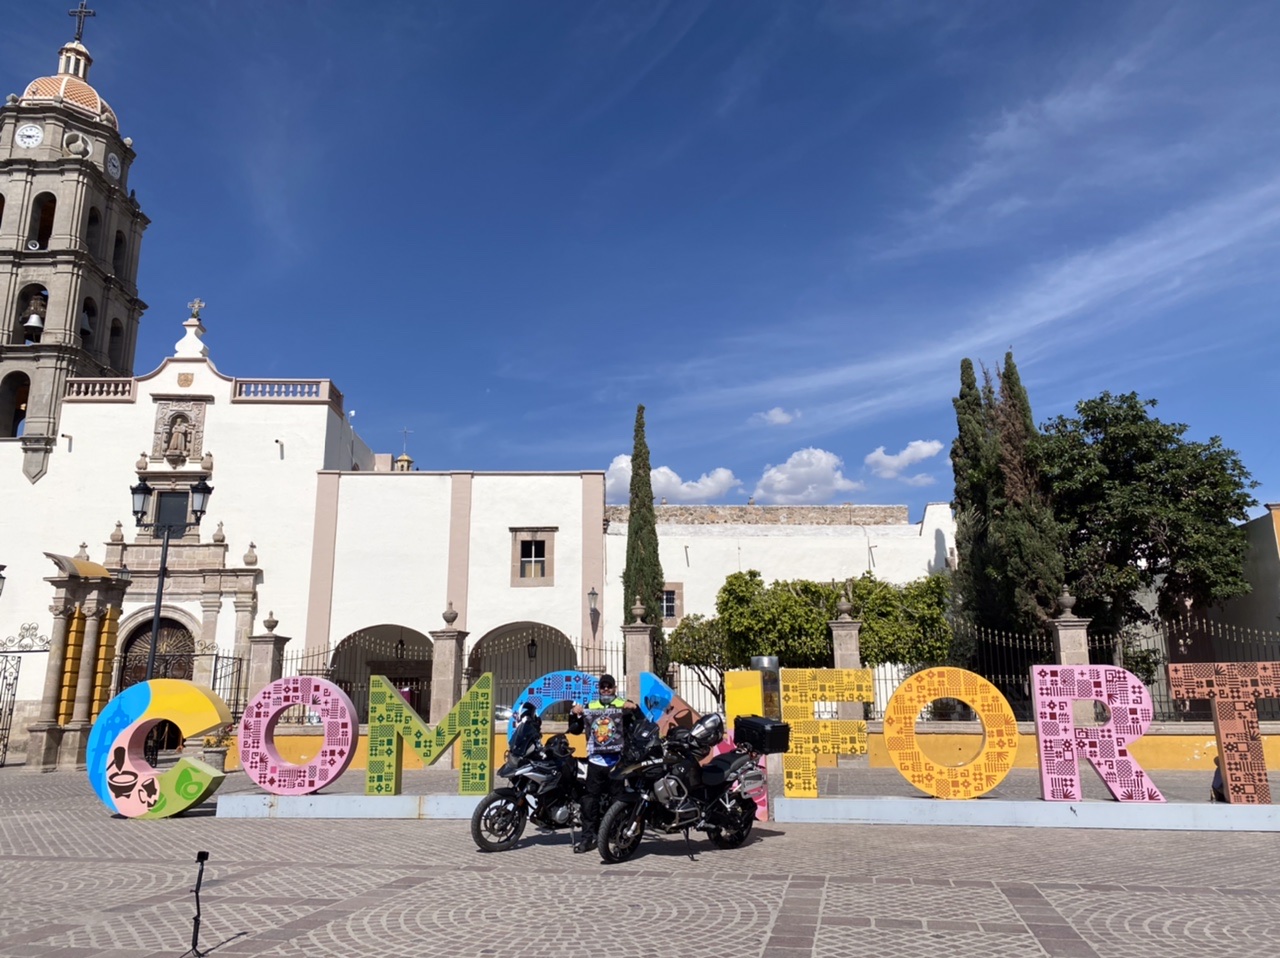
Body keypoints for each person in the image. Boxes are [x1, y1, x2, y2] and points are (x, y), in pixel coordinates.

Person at [567, 673, 636, 853]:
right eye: (602, 686)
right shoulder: (591, 706)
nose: (606, 689)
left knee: (618, 800)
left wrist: (635, 709)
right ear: (599, 689)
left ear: (615, 688)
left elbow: (641, 723)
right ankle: (588, 837)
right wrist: (574, 714)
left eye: (609, 686)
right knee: (590, 801)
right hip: (595, 761)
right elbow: (575, 730)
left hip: (617, 761)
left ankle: (615, 834)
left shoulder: (623, 704)